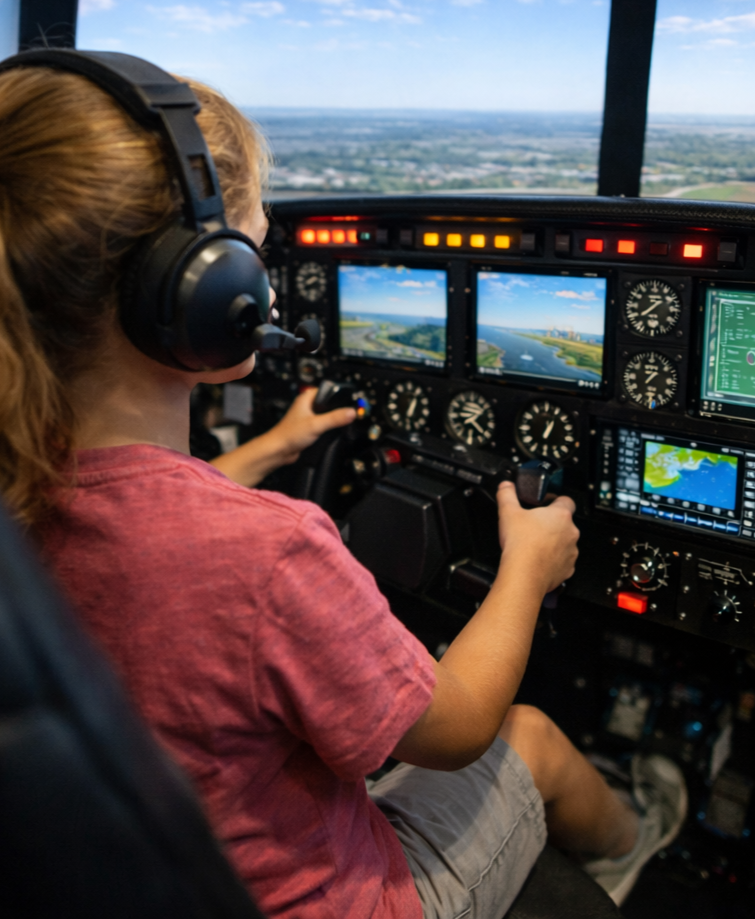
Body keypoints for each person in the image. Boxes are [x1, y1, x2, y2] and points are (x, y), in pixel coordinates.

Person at [0, 59, 686, 919]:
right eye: (252, 253)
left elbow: (136, 513)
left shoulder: (22, 492)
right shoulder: (268, 548)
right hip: (342, 901)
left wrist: (271, 447)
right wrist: (528, 566)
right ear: (203, 288)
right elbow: (456, 726)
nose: (269, 286)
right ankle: (638, 845)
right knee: (529, 736)